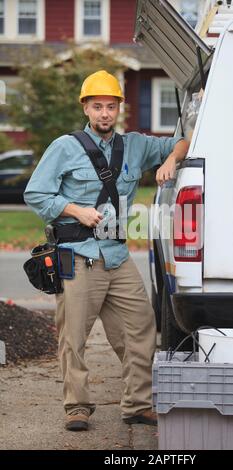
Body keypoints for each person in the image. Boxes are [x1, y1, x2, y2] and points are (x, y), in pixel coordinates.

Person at [24, 70, 189, 431]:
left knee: (142, 327)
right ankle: (77, 407)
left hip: (117, 256)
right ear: (85, 107)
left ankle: (137, 404)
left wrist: (170, 160)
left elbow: (183, 140)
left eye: (110, 106)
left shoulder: (135, 145)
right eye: (97, 106)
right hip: (78, 256)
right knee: (74, 337)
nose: (104, 113)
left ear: (119, 109)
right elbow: (36, 193)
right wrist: (75, 209)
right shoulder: (64, 147)